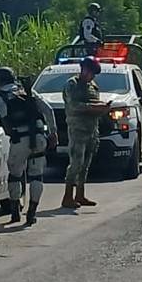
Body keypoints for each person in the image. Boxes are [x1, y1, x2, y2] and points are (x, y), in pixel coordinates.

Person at [0, 68, 57, 226]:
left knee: (15, 175)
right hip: (38, 137)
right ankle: (31, 212)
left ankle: (15, 211)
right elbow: (48, 110)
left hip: (18, 140)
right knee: (36, 175)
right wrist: (53, 133)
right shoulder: (28, 92)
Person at [62, 56, 111, 209]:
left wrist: (102, 108)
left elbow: (94, 104)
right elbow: (74, 105)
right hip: (77, 129)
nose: (92, 76)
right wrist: (93, 107)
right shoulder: (72, 84)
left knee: (85, 165)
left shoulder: (93, 86)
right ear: (84, 69)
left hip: (91, 129)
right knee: (76, 163)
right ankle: (68, 196)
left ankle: (80, 194)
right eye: (91, 72)